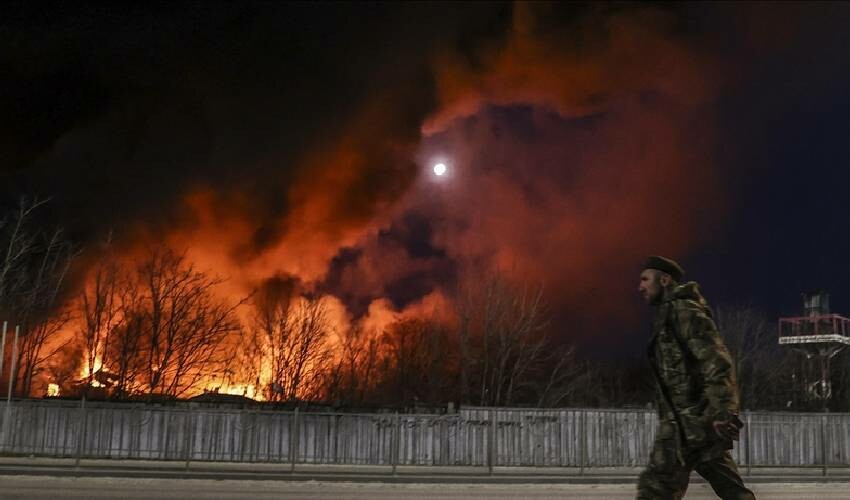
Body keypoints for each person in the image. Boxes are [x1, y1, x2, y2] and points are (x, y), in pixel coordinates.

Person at [636, 256, 755, 500]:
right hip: (685, 425)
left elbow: (716, 362)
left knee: (656, 490)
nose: (640, 287)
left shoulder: (684, 311)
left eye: (645, 279)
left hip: (694, 423)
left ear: (665, 280)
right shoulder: (666, 315)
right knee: (731, 491)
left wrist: (723, 412)